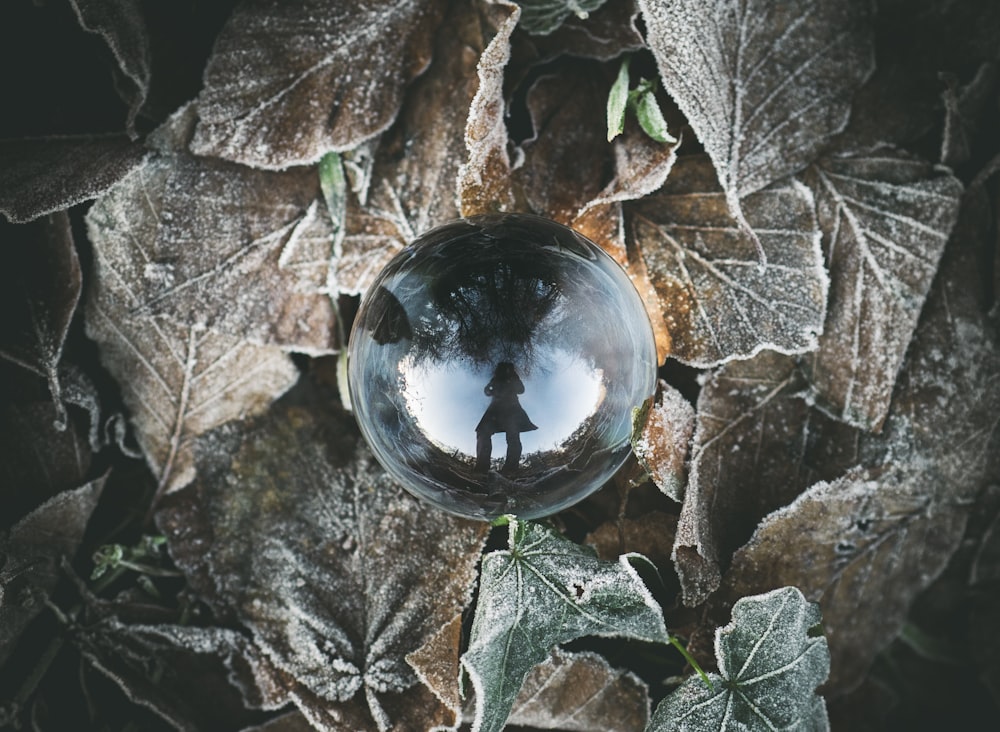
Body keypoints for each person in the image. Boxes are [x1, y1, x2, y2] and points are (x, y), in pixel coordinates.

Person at [475, 362, 537, 474]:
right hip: (495, 408)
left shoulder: (513, 377)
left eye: (508, 368)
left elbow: (521, 390)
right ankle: (482, 468)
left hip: (511, 408)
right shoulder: (496, 378)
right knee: (483, 431)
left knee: (513, 435)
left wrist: (514, 377)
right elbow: (487, 391)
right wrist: (491, 389)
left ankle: (511, 469)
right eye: (504, 368)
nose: (505, 370)